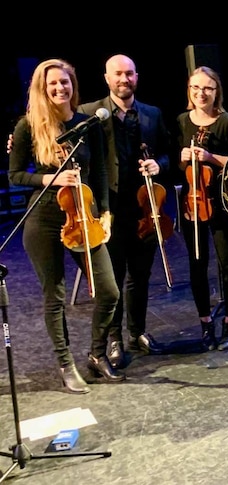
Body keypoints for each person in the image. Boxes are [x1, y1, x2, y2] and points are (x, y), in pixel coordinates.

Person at [9, 59, 124, 392]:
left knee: (109, 291)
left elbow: (101, 172)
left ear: (73, 85)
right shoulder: (27, 127)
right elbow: (15, 175)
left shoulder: (89, 124)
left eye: (65, 82)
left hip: (83, 218)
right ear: (42, 89)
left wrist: (104, 213)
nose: (60, 88)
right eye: (53, 84)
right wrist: (50, 178)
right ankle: (65, 363)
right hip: (43, 218)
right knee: (54, 296)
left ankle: (96, 352)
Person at [78, 54, 171, 368]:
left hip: (144, 207)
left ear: (136, 76)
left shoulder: (152, 114)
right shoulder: (89, 113)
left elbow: (168, 153)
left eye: (129, 74)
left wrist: (160, 164)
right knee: (114, 279)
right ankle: (114, 338)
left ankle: (138, 331)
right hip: (109, 209)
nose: (124, 79)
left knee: (141, 276)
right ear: (106, 78)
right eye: (118, 74)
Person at [176, 66, 228, 352]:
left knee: (227, 264)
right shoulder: (182, 121)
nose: (201, 93)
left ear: (216, 92)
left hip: (222, 204)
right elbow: (178, 166)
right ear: (189, 91)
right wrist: (182, 158)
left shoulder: (226, 122)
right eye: (195, 88)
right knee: (196, 264)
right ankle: (206, 323)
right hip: (192, 204)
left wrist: (209, 156)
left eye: (207, 88)